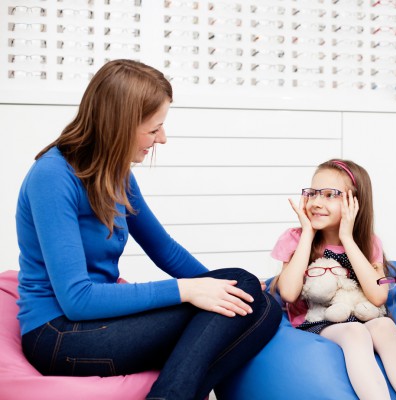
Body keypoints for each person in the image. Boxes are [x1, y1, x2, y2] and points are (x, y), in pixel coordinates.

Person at [15, 59, 282, 400]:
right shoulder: (52, 176)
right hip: (57, 334)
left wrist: (218, 286)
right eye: (154, 128)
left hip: (94, 322)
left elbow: (164, 249)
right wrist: (187, 289)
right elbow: (77, 300)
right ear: (120, 124)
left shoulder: (116, 175)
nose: (163, 138)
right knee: (247, 294)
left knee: (257, 300)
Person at [270, 159, 396, 400]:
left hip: (363, 313)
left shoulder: (368, 242)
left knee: (385, 325)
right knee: (355, 332)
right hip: (317, 322)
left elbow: (378, 297)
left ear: (353, 202)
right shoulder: (294, 238)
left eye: (328, 195)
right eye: (312, 193)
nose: (316, 202)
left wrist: (347, 237)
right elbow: (289, 293)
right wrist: (307, 233)